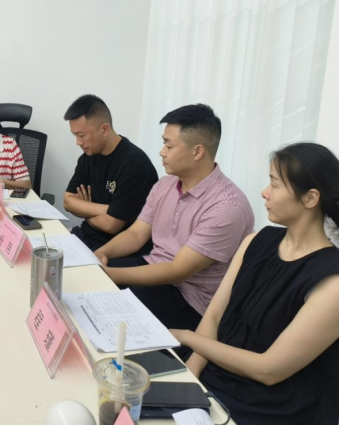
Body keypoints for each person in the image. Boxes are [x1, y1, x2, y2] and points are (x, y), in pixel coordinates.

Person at [171, 143, 339, 425]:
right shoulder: (255, 242)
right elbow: (215, 316)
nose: (264, 192)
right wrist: (191, 373)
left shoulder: (332, 282)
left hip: (269, 406)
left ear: (310, 198)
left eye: (275, 184)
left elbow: (268, 370)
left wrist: (186, 337)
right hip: (214, 376)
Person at [94, 104, 254, 358]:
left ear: (197, 151)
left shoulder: (227, 206)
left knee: (106, 309)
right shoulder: (166, 185)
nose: (162, 152)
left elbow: (178, 270)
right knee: (89, 289)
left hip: (190, 300)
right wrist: (98, 256)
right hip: (154, 269)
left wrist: (110, 274)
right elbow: (136, 235)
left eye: (169, 146)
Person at [63, 95, 158, 251]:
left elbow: (111, 225)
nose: (78, 142)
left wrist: (85, 209)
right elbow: (68, 201)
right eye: (75, 136)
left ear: (104, 129)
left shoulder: (134, 164)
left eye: (81, 135)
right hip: (85, 236)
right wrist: (107, 209)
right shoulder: (88, 157)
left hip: (116, 250)